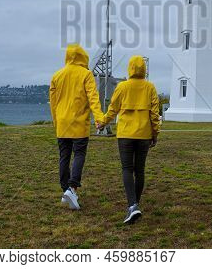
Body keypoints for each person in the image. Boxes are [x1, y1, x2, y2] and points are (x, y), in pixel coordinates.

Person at [97, 55, 160, 224]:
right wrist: (155, 133)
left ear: (130, 68)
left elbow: (113, 109)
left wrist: (102, 122)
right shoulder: (150, 87)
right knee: (139, 170)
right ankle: (135, 204)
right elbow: (154, 113)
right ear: (144, 69)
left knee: (127, 169)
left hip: (125, 134)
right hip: (144, 135)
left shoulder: (122, 86)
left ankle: (132, 205)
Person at [50, 44, 104, 210]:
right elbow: (93, 98)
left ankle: (65, 189)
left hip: (62, 124)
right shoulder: (86, 74)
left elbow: (53, 103)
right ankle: (72, 188)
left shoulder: (57, 75)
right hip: (79, 124)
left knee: (64, 156)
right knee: (79, 154)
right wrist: (99, 118)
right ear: (83, 57)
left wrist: (56, 122)